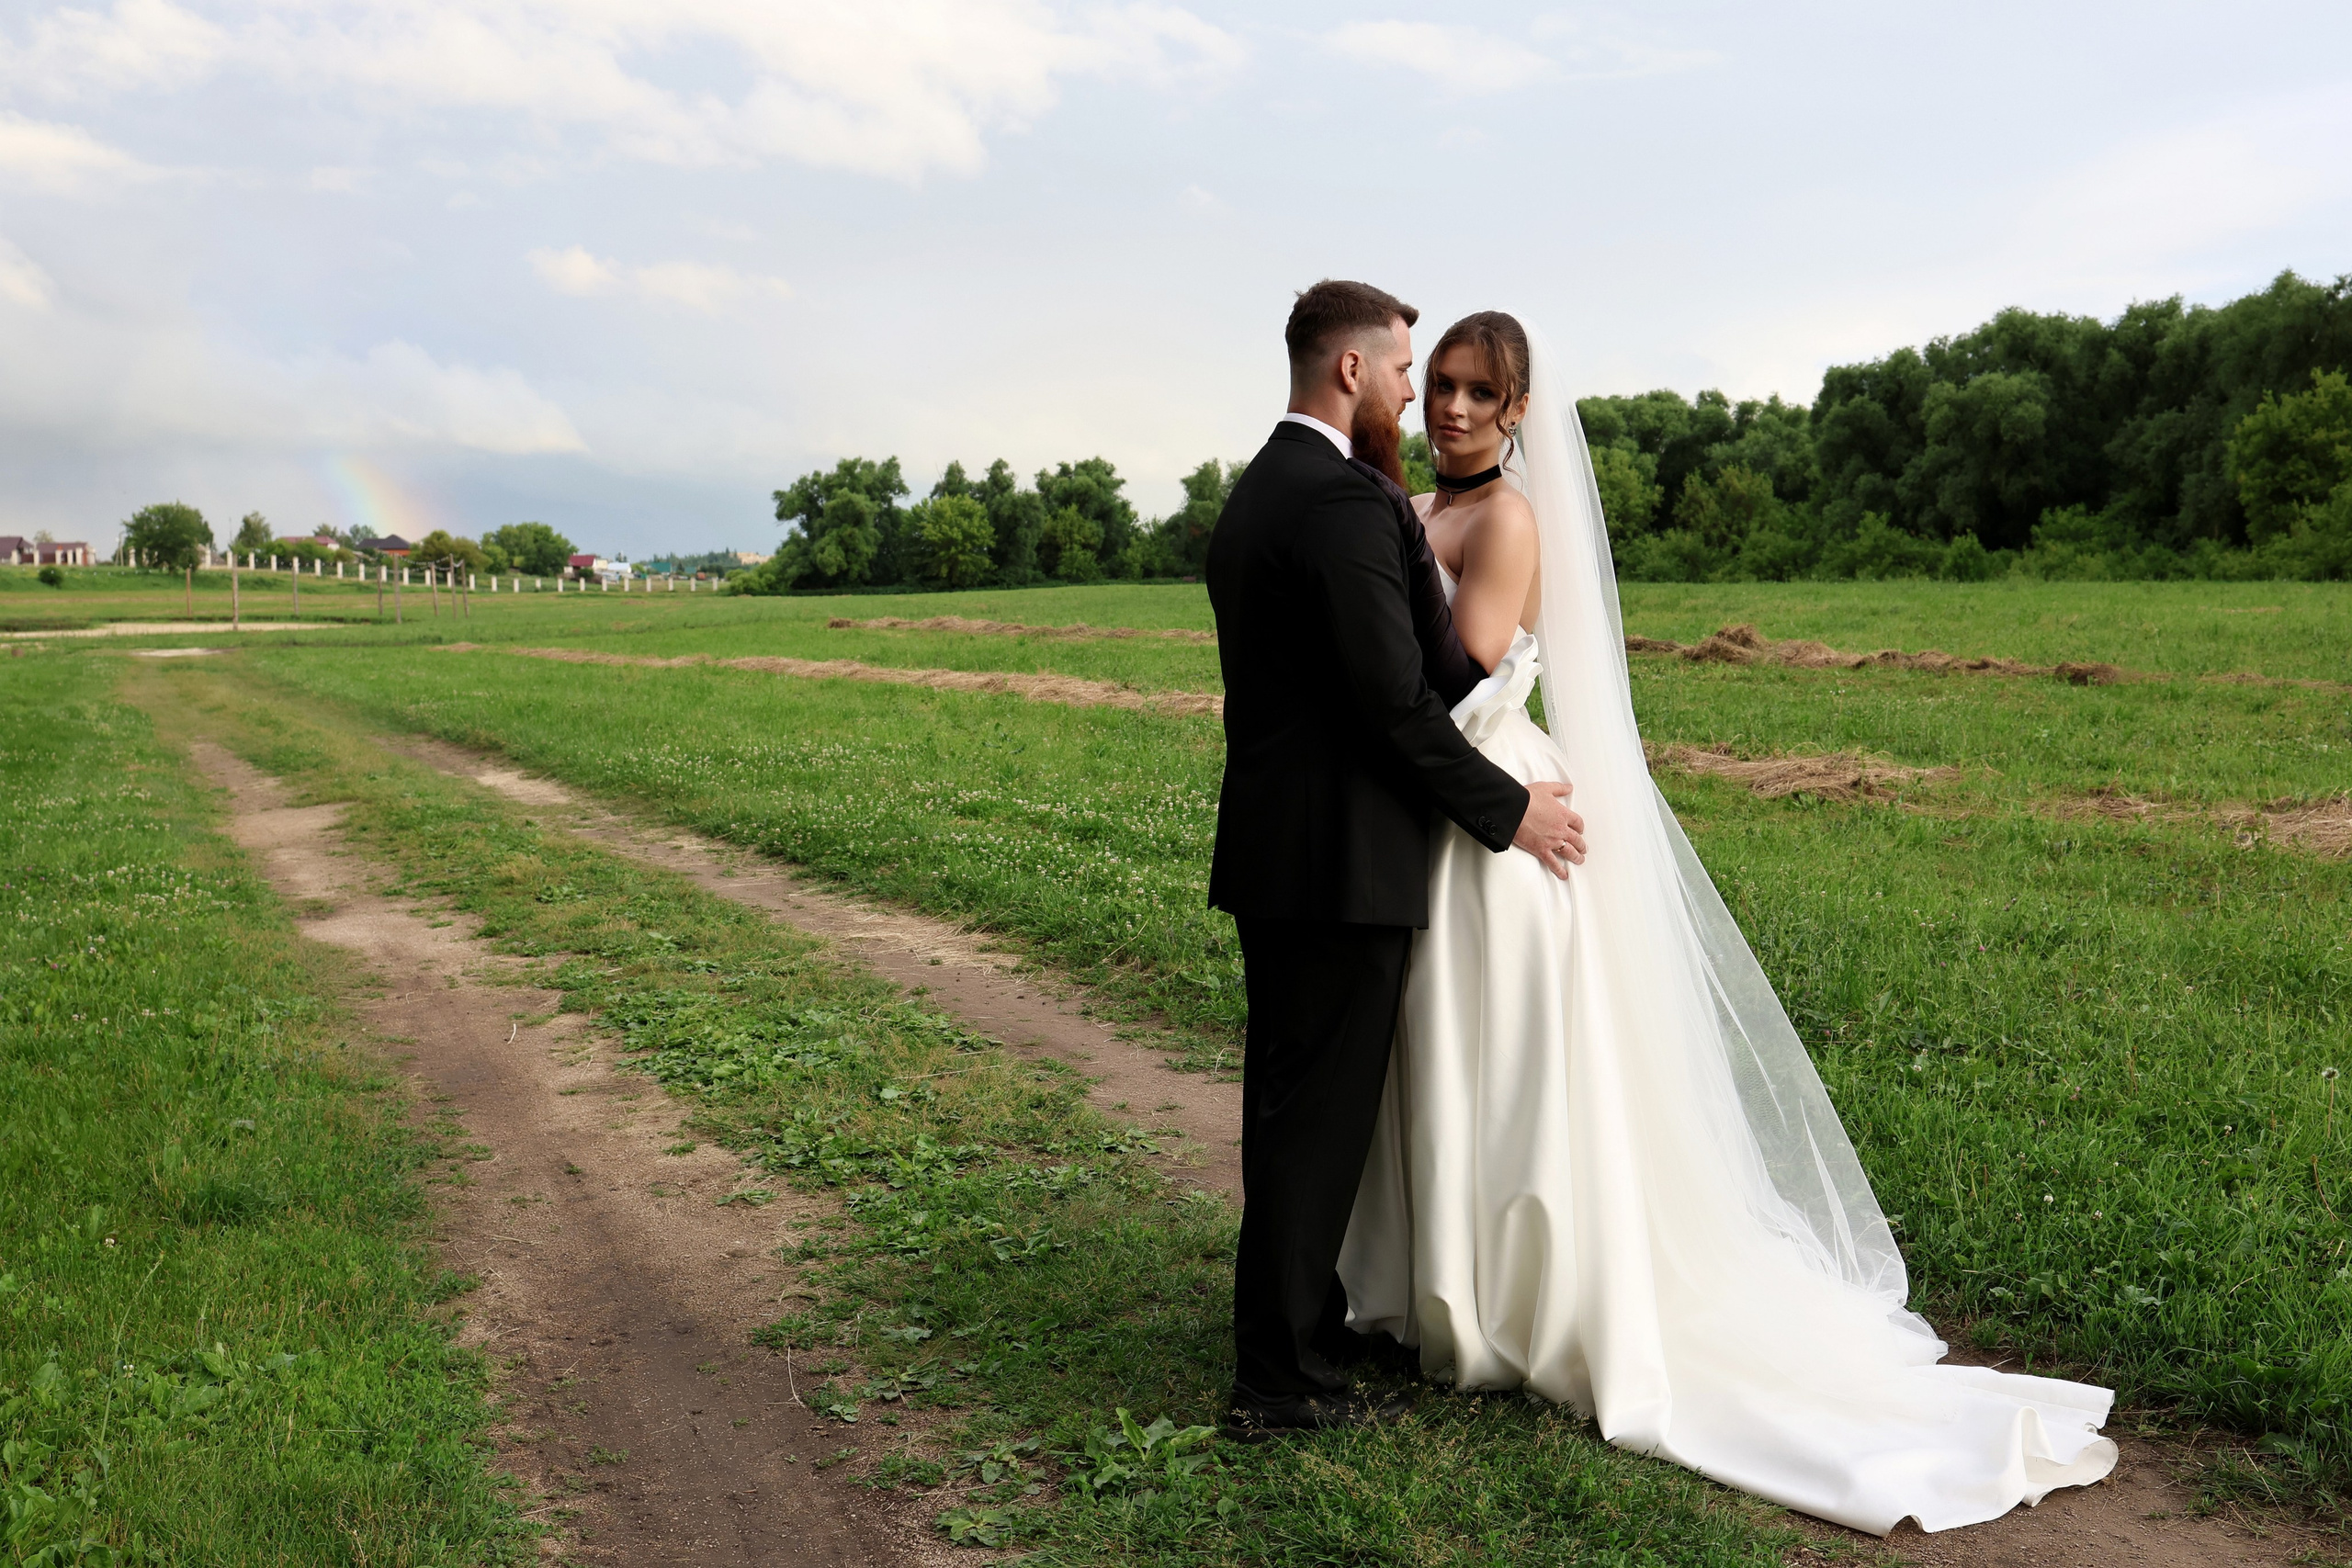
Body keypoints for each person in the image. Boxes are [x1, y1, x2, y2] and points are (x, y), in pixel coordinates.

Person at [1334, 310, 2120, 1534]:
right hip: (1432, 810)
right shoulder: (1414, 504)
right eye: (1438, 383)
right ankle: (1433, 1283)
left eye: (1479, 392)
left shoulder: (1504, 521)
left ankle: (1511, 1300)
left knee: (1508, 1058)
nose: (1451, 407)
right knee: (1432, 1046)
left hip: (1497, 804)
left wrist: (1371, 602)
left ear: (1518, 410)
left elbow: (1464, 670)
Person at [1205, 280, 1588, 1436]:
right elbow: (1394, 706)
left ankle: (1305, 1327)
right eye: (1412, 372)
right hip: (1339, 860)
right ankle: (1278, 1379)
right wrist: (1508, 812)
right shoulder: (1340, 498)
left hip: (1285, 852)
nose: (1423, 397)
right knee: (1313, 1124)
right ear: (1353, 370)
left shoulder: (1261, 489)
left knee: (1293, 1113)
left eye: (1463, 386)